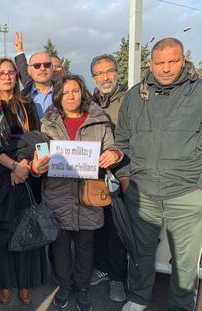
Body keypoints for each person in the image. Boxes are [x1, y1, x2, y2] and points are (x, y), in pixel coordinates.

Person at [116, 37, 202, 311]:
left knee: (185, 260)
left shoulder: (198, 92)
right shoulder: (134, 95)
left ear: (184, 58)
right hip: (142, 193)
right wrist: (126, 180)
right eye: (159, 62)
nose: (165, 68)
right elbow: (122, 139)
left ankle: (182, 305)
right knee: (141, 252)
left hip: (187, 192)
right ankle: (139, 297)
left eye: (172, 61)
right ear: (150, 63)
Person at [32, 74, 122, 311]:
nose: (71, 96)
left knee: (85, 245)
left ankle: (82, 287)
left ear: (82, 93)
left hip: (89, 196)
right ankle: (64, 285)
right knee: (60, 245)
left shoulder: (99, 121)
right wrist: (37, 163)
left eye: (75, 91)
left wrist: (113, 155)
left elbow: (112, 148)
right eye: (66, 92)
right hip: (57, 193)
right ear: (58, 95)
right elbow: (41, 152)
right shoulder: (48, 122)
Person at [0, 58, 46, 306]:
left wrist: (25, 166)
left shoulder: (27, 105)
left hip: (27, 176)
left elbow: (36, 139)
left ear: (17, 76)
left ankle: (25, 282)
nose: (7, 77)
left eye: (11, 73)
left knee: (27, 227)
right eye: (2, 73)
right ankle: (5, 282)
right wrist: (14, 167)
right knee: (3, 231)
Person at [89, 53, 128, 302]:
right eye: (99, 73)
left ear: (117, 72)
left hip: (121, 173)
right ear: (93, 77)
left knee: (117, 230)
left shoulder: (130, 99)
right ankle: (101, 267)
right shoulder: (89, 101)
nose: (105, 77)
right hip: (94, 176)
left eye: (109, 71)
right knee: (97, 226)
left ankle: (118, 277)